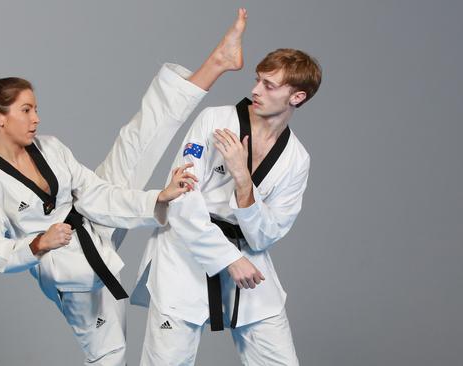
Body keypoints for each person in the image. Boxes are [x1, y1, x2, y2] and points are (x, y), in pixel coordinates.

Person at [0, 9, 248, 365]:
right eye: (26, 110)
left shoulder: (48, 146)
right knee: (108, 354)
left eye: (36, 108)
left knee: (137, 142)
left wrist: (158, 196)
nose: (36, 118)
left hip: (92, 217)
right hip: (68, 266)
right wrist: (37, 243)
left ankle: (217, 62)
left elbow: (93, 193)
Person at [132, 47, 322, 365]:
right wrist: (228, 258)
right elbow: (181, 199)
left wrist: (243, 181)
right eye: (258, 80)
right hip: (185, 252)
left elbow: (266, 235)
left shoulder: (296, 159)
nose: (255, 90)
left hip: (247, 257)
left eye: (269, 85)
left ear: (297, 97)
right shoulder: (215, 121)